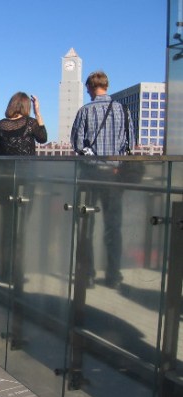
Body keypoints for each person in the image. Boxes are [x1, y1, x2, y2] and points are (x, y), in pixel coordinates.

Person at [70, 70, 135, 288]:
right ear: (106, 86)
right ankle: (113, 275)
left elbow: (78, 144)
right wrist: (115, 165)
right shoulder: (123, 110)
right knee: (113, 226)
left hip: (90, 176)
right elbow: (131, 145)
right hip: (114, 177)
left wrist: (94, 159)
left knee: (86, 225)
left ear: (89, 87)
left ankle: (87, 274)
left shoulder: (85, 111)